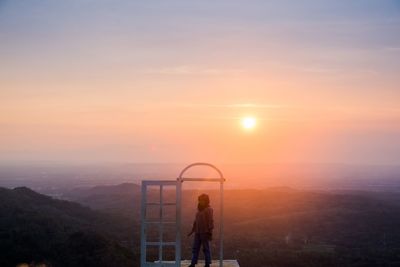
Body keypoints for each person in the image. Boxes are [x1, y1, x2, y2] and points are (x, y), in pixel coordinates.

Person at [188, 193, 214, 267]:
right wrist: (192, 230)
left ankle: (207, 264)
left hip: (205, 232)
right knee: (195, 248)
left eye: (203, 200)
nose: (201, 202)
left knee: (206, 248)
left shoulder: (209, 209)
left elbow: (210, 221)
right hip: (198, 232)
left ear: (206, 201)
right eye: (200, 200)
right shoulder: (199, 209)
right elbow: (196, 221)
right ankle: (193, 263)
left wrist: (210, 232)